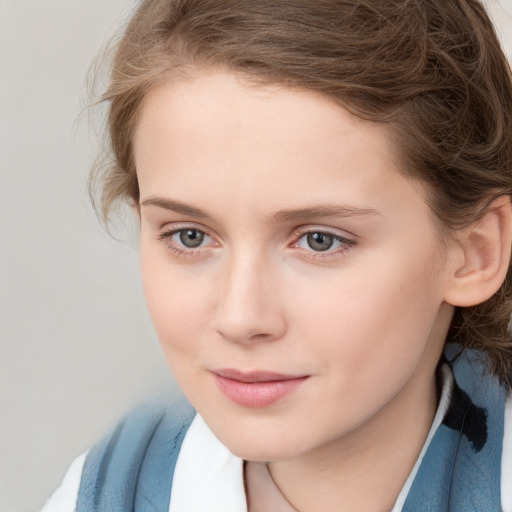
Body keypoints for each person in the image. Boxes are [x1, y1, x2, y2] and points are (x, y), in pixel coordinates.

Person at [42, 0, 512, 510]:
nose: (241, 318)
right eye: (190, 236)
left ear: (474, 254)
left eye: (319, 240)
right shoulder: (102, 492)